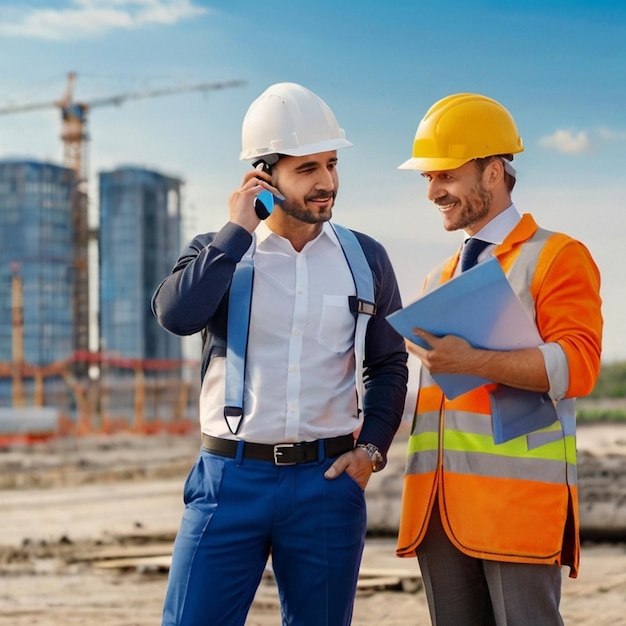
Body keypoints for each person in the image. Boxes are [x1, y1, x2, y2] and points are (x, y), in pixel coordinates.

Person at [152, 82, 408, 626]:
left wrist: (373, 451)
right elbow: (176, 316)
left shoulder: (366, 258)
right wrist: (237, 230)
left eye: (332, 164)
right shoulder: (216, 252)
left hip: (327, 484)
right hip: (229, 480)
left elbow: (388, 363)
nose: (328, 183)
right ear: (264, 176)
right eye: (308, 168)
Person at [395, 93, 603, 625]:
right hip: (438, 512)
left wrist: (477, 360)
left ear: (493, 172)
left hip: (514, 507)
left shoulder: (556, 258)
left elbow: (578, 367)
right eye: (427, 179)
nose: (434, 191)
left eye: (445, 175)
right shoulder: (436, 278)